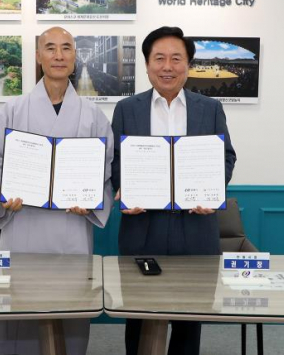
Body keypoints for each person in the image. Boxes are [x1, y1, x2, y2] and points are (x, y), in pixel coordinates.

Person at [0, 26, 114, 355]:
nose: (58, 55)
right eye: (50, 48)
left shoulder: (93, 115)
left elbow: (106, 169)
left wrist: (91, 200)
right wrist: (2, 197)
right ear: (38, 56)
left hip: (71, 228)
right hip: (23, 225)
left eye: (66, 48)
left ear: (74, 57)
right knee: (18, 311)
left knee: (69, 312)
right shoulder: (12, 110)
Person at [111, 26, 236, 355]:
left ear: (188, 65)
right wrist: (123, 189)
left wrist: (212, 191)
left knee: (189, 321)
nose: (167, 66)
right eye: (159, 58)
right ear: (147, 65)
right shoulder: (127, 108)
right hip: (142, 227)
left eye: (176, 58)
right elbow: (115, 159)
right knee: (139, 318)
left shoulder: (209, 108)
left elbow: (226, 156)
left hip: (195, 228)